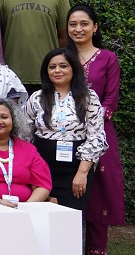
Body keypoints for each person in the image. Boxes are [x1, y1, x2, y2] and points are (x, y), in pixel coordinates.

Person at [68, 5, 125, 255]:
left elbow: (111, 101)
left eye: (84, 24)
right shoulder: (63, 58)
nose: (78, 29)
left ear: (95, 27)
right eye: (73, 24)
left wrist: (89, 122)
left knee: (98, 201)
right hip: (64, 137)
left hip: (100, 137)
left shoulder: (108, 58)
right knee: (67, 198)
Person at [24, 49, 107, 227]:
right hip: (41, 171)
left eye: (63, 66)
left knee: (69, 225)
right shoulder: (36, 98)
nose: (57, 70)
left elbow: (96, 137)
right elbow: (24, 134)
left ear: (73, 69)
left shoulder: (88, 98)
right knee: (39, 222)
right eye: (52, 67)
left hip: (74, 172)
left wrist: (82, 173)